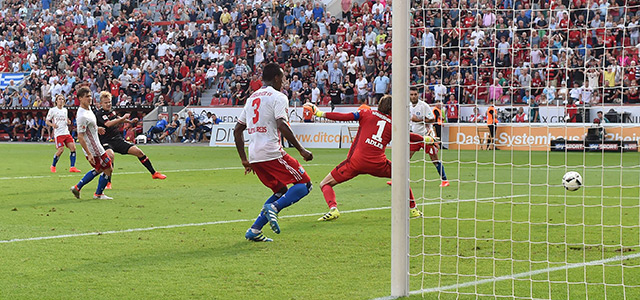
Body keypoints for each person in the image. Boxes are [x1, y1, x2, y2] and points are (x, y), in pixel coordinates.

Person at [233, 63, 314, 242]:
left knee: (280, 190)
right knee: (305, 185)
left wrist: (244, 160)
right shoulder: (278, 97)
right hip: (272, 152)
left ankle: (254, 230)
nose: (284, 82)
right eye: (283, 78)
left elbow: (237, 130)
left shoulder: (252, 97)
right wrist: (301, 150)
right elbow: (281, 125)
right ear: (276, 78)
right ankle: (274, 208)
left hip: (254, 156)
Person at [313, 95, 424, 222]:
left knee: (325, 184)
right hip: (378, 164)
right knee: (402, 178)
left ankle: (333, 209)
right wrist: (425, 139)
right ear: (391, 109)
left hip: (356, 162)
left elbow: (344, 117)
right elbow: (408, 136)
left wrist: (320, 113)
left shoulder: (366, 113)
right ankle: (413, 209)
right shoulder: (393, 124)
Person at [95, 91, 166, 182]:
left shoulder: (111, 112)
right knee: (110, 156)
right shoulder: (99, 114)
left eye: (109, 102)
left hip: (118, 139)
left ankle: (154, 173)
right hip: (106, 141)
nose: (108, 104)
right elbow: (108, 124)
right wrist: (123, 118)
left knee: (138, 152)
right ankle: (108, 182)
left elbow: (117, 120)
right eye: (106, 102)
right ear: (101, 103)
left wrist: (130, 121)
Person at [70, 87, 114, 200]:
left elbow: (90, 127)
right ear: (80, 98)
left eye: (90, 96)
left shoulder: (88, 109)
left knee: (100, 168)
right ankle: (98, 194)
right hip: (94, 149)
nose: (90, 98)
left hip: (96, 146)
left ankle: (77, 187)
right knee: (108, 168)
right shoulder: (82, 116)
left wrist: (97, 128)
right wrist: (89, 154)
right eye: (87, 96)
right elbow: (80, 136)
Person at [46, 94, 81, 173]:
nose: (61, 101)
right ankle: (53, 165)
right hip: (58, 133)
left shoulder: (65, 110)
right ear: (56, 101)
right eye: (59, 99)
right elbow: (47, 121)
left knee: (73, 148)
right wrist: (52, 125)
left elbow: (66, 119)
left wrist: (68, 121)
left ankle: (72, 167)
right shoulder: (52, 110)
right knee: (60, 150)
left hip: (66, 132)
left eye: (62, 99)